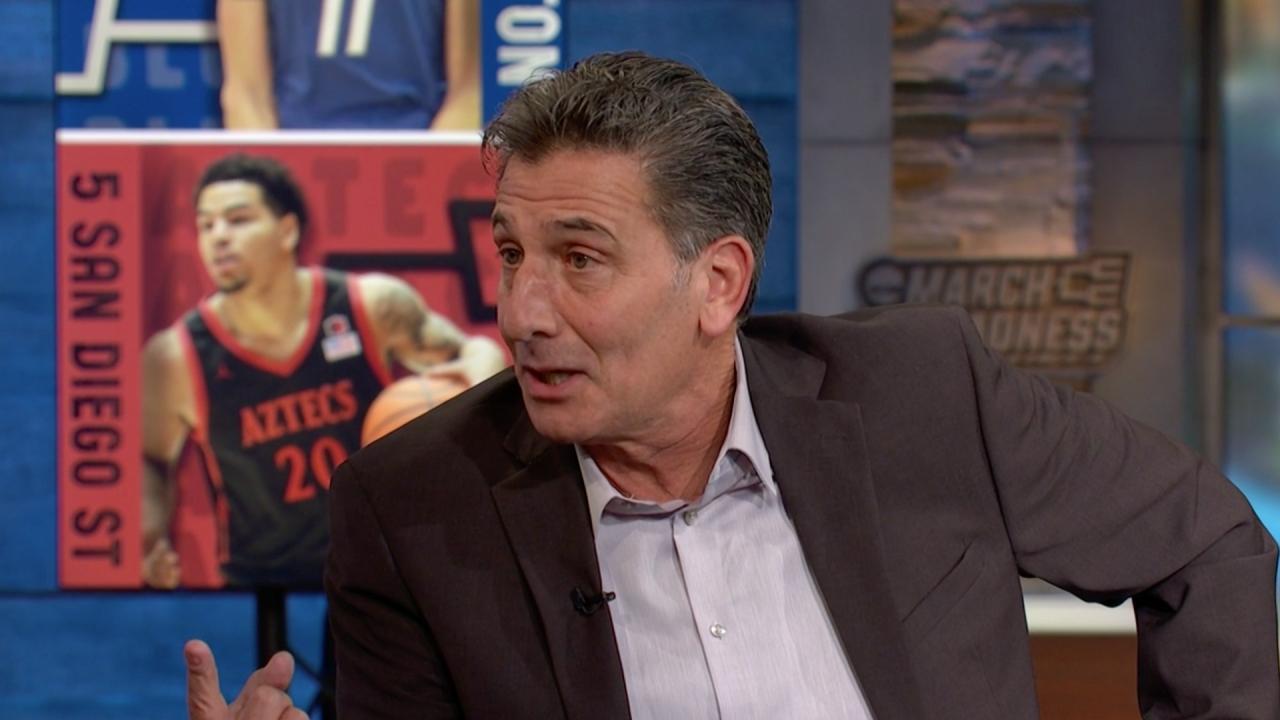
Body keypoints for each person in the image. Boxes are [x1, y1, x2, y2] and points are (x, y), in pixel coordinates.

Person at [187, 53, 1280, 719]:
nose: (522, 313)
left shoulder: (923, 393)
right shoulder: (412, 506)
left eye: (579, 259)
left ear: (717, 283)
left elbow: (1203, 540)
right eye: (511, 253)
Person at [142, 152, 504, 589]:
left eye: (238, 220)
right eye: (206, 225)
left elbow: (476, 352)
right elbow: (152, 460)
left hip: (375, 558)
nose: (218, 237)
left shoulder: (368, 305)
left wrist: (479, 384)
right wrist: (151, 539)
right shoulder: (176, 355)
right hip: (260, 574)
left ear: (288, 230)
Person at [217, 0, 479, 130]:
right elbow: (246, 94)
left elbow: (467, 93)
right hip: (293, 151)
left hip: (415, 149)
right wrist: (269, 185)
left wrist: (431, 171)